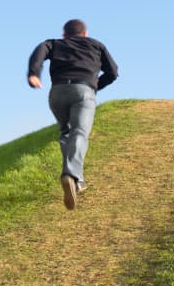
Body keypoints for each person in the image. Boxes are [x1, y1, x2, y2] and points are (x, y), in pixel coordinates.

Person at [27, 19, 119, 210]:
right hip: (82, 91)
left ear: (64, 34)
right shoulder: (96, 44)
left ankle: (77, 181)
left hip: (57, 92)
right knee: (79, 133)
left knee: (66, 133)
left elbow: (40, 50)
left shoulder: (54, 43)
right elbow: (113, 72)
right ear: (85, 33)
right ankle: (71, 174)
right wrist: (94, 86)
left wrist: (34, 74)